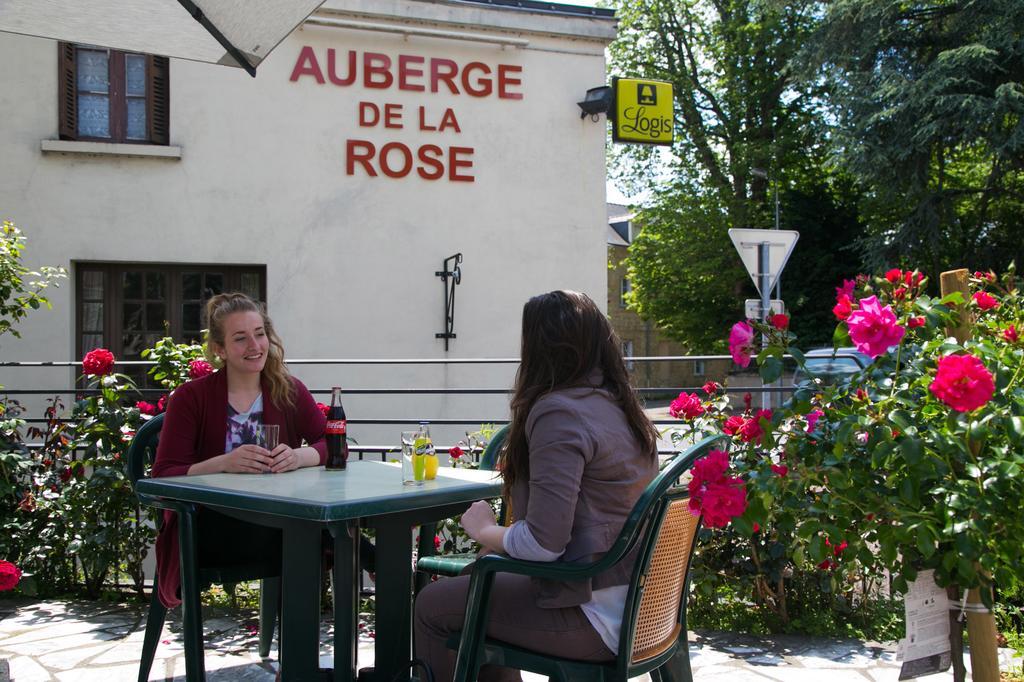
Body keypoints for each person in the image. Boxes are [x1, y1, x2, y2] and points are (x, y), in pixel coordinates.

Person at [414, 290, 661, 682]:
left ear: (539, 348)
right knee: (475, 584)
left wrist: (485, 531)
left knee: (432, 606)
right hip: (641, 609)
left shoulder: (559, 411)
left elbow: (545, 546)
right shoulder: (619, 404)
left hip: (593, 617)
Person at [152, 292, 343, 609]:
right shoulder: (190, 397)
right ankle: (374, 559)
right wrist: (223, 463)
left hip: (277, 524)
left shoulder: (288, 389)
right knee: (321, 535)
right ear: (220, 349)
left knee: (315, 530)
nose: (255, 347)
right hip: (210, 531)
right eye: (240, 339)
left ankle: (300, 656)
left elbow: (334, 446)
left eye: (260, 334)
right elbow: (163, 474)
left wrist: (298, 457)